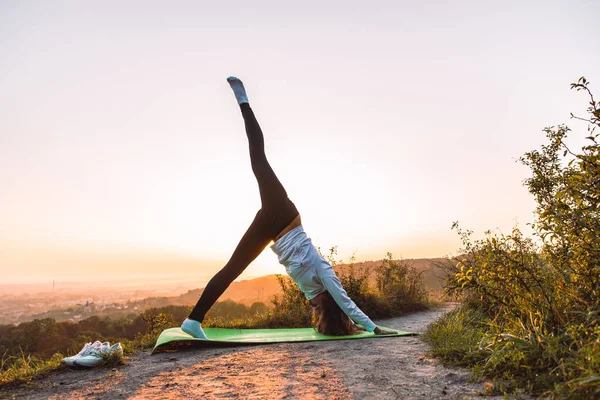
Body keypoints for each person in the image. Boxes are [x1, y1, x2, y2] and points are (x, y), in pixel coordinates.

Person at [181, 77, 396, 339]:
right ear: (328, 303)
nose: (311, 306)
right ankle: (244, 102)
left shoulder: (311, 293)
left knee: (232, 268)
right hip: (284, 215)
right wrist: (373, 327)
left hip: (271, 231)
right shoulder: (325, 275)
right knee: (259, 161)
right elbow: (346, 302)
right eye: (317, 307)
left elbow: (331, 304)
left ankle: (193, 320)